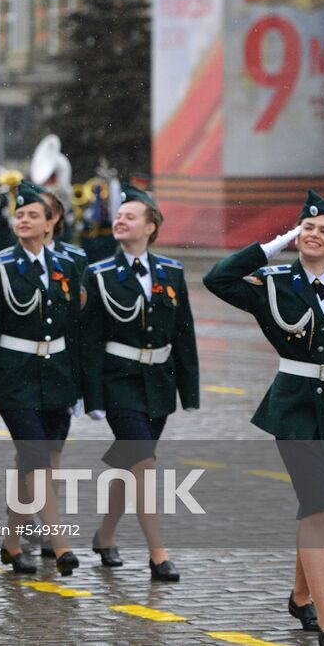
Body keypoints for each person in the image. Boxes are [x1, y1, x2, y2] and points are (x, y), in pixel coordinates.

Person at [203, 190, 324, 646]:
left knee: (318, 511)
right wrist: (269, 246)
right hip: (295, 408)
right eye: (306, 227)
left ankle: (300, 595)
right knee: (317, 506)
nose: (313, 234)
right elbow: (217, 279)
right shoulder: (273, 280)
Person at [81, 185, 198, 582]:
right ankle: (158, 553)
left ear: (151, 227)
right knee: (143, 464)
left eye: (130, 216)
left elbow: (183, 333)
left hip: (158, 383)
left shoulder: (171, 272)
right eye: (118, 215)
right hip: (120, 381)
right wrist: (92, 395)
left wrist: (189, 389)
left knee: (130, 463)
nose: (120, 221)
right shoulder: (98, 274)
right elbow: (90, 340)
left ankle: (104, 535)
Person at [0, 180, 85, 576]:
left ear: (50, 223)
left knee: (36, 461)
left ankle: (11, 539)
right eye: (19, 214)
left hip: (56, 376)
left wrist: (79, 384)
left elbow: (74, 329)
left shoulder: (68, 266)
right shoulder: (0, 266)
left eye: (32, 215)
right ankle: (60, 544)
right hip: (15, 378)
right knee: (37, 457)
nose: (23, 219)